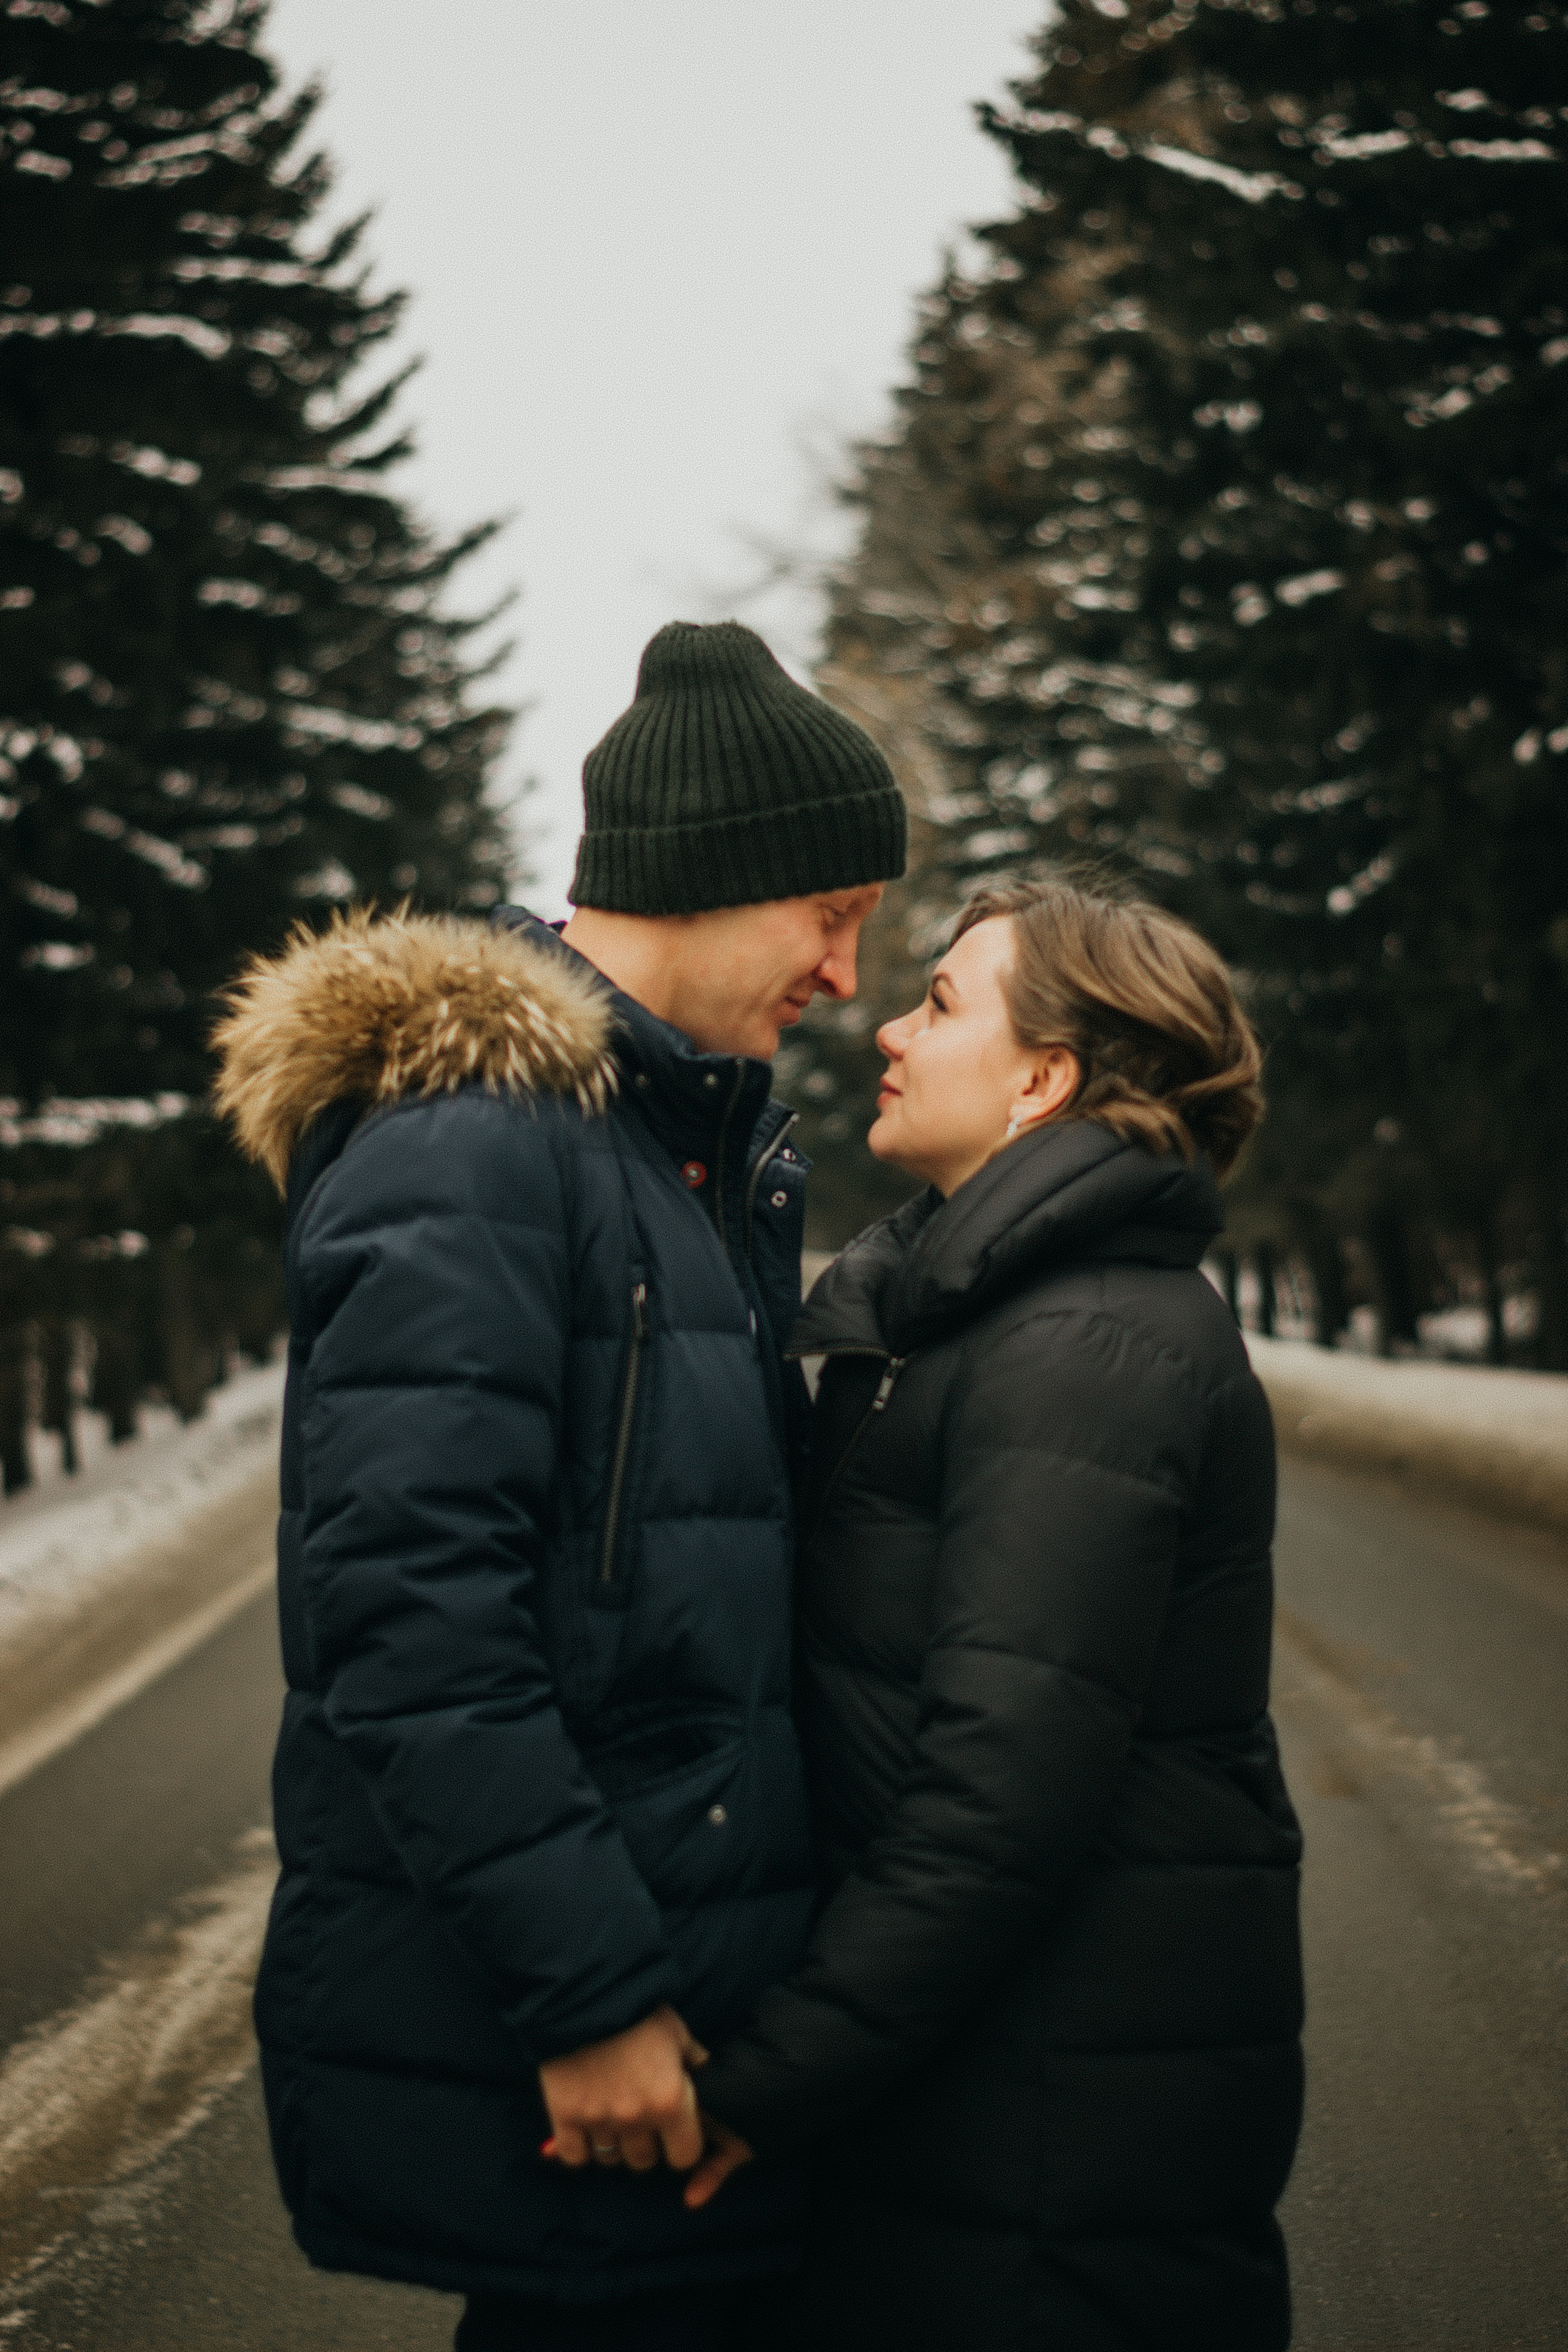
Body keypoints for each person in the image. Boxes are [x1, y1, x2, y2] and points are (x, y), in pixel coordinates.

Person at [211, 619, 907, 2352]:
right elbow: (405, 1621)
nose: (844, 977)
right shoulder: (480, 1144)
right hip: (599, 2034)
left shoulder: (680, 1150)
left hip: (693, 2006)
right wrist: (589, 1992)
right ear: (714, 876)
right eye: (831, 918)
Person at [688, 875, 1305, 2352]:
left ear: (1043, 1079)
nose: (887, 1027)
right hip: (1001, 2094)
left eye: (941, 1001)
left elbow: (995, 1795)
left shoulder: (1080, 1342)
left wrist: (768, 2081)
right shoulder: (989, 1312)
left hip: (1047, 2139)